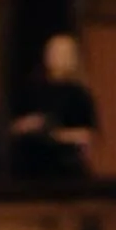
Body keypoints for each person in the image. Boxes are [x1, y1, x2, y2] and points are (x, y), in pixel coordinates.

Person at [10, 33, 98, 181]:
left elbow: (87, 134)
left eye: (62, 53)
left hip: (67, 168)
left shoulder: (79, 94)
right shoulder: (32, 89)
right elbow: (13, 126)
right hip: (32, 168)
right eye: (52, 51)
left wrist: (56, 135)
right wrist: (30, 125)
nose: (56, 57)